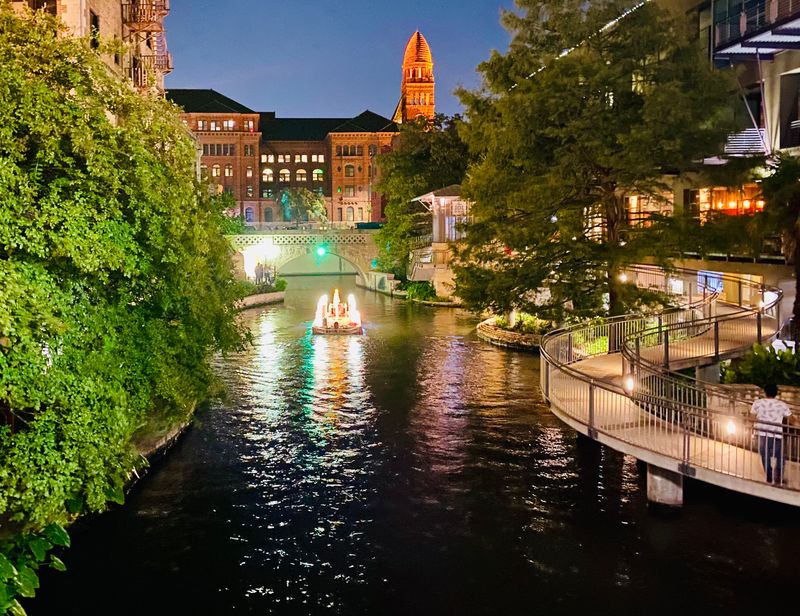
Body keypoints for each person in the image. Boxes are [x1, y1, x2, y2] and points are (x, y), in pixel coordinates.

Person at [751, 383, 792, 485]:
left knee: (765, 455)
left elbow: (752, 417)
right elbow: (791, 418)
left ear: (765, 392)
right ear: (776, 393)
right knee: (780, 456)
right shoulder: (782, 404)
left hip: (762, 433)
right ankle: (778, 477)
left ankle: (769, 476)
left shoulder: (758, 403)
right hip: (776, 434)